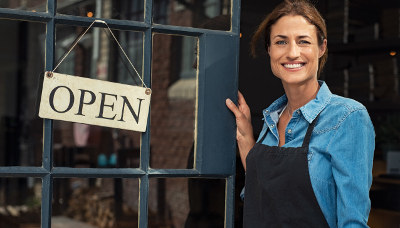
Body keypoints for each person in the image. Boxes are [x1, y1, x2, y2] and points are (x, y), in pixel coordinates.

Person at [225, 0, 375, 227]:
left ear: (322, 47)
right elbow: (267, 194)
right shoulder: (272, 118)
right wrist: (246, 138)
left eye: (303, 41)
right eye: (281, 42)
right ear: (269, 50)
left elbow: (353, 222)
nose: (292, 52)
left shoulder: (347, 117)